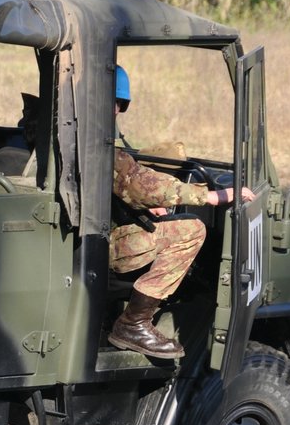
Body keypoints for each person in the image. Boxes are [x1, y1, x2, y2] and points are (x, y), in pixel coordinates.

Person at [108, 66, 253, 358]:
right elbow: (142, 184)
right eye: (117, 104)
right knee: (191, 230)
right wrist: (213, 196)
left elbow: (126, 185)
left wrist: (140, 203)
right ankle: (134, 322)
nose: (116, 111)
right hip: (100, 247)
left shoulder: (64, 135)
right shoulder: (96, 148)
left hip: (80, 238)